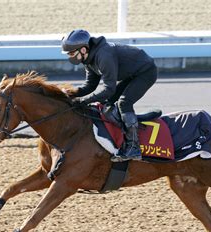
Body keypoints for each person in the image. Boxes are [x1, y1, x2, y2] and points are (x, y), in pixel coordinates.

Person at [61, 29, 157, 162]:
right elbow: (90, 85)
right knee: (109, 102)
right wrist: (70, 93)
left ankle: (133, 148)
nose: (70, 57)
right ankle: (120, 135)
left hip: (145, 72)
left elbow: (109, 89)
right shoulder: (88, 59)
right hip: (132, 73)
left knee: (124, 103)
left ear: (83, 50)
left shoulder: (104, 55)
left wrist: (83, 101)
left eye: (71, 53)